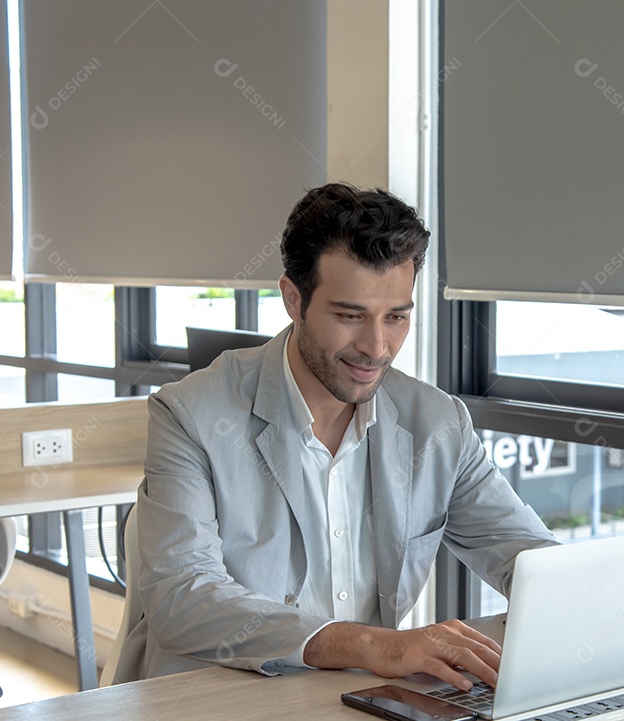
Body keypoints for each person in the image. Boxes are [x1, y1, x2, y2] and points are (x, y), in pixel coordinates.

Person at [114, 182, 557, 687]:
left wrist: (603, 607)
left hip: (354, 697)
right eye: (350, 316)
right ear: (293, 298)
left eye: (396, 317)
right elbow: (182, 599)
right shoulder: (190, 413)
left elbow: (525, 555)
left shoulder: (438, 423)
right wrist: (372, 644)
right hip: (217, 696)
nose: (377, 347)